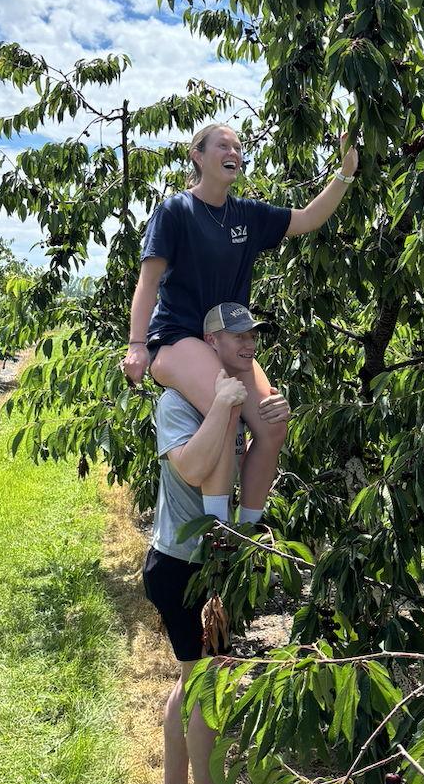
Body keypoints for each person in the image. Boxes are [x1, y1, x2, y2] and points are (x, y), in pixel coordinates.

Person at [121, 122, 357, 526]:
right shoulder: (175, 211)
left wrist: (346, 172)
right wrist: (137, 345)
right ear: (197, 156)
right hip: (178, 338)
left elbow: (309, 218)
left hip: (228, 340)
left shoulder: (247, 214)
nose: (234, 152)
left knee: (273, 424)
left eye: (238, 147)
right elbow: (148, 281)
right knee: (226, 403)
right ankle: (219, 534)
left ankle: (248, 530)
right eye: (223, 145)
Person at [144, 303, 289, 784]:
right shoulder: (176, 401)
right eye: (237, 336)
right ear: (210, 344)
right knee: (207, 686)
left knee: (193, 679)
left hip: (211, 564)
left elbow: (249, 465)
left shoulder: (234, 396)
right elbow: (191, 467)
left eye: (253, 335)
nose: (249, 344)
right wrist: (222, 410)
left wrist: (266, 424)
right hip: (181, 567)